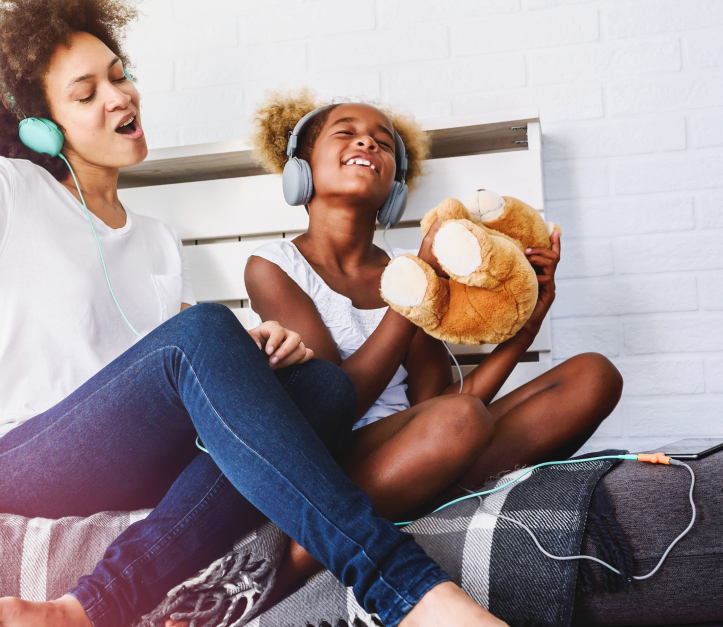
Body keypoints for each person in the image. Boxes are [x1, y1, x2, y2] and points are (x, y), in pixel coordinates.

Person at [0, 2, 509, 626]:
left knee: (326, 390)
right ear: (40, 124)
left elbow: (165, 363)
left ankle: (92, 606)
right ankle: (406, 589)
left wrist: (254, 347)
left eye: (118, 75)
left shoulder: (158, 240)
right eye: (86, 92)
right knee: (204, 336)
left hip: (128, 460)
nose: (120, 96)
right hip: (23, 462)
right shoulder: (7, 191)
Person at [243, 91, 624, 594]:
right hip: (336, 460)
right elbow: (334, 400)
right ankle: (303, 553)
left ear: (395, 189)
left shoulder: (407, 263)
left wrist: (527, 325)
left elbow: (439, 404)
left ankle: (414, 495)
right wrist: (416, 284)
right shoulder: (273, 266)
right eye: (347, 133)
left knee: (593, 375)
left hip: (430, 445)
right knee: (459, 423)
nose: (368, 142)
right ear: (302, 169)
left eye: (383, 143)